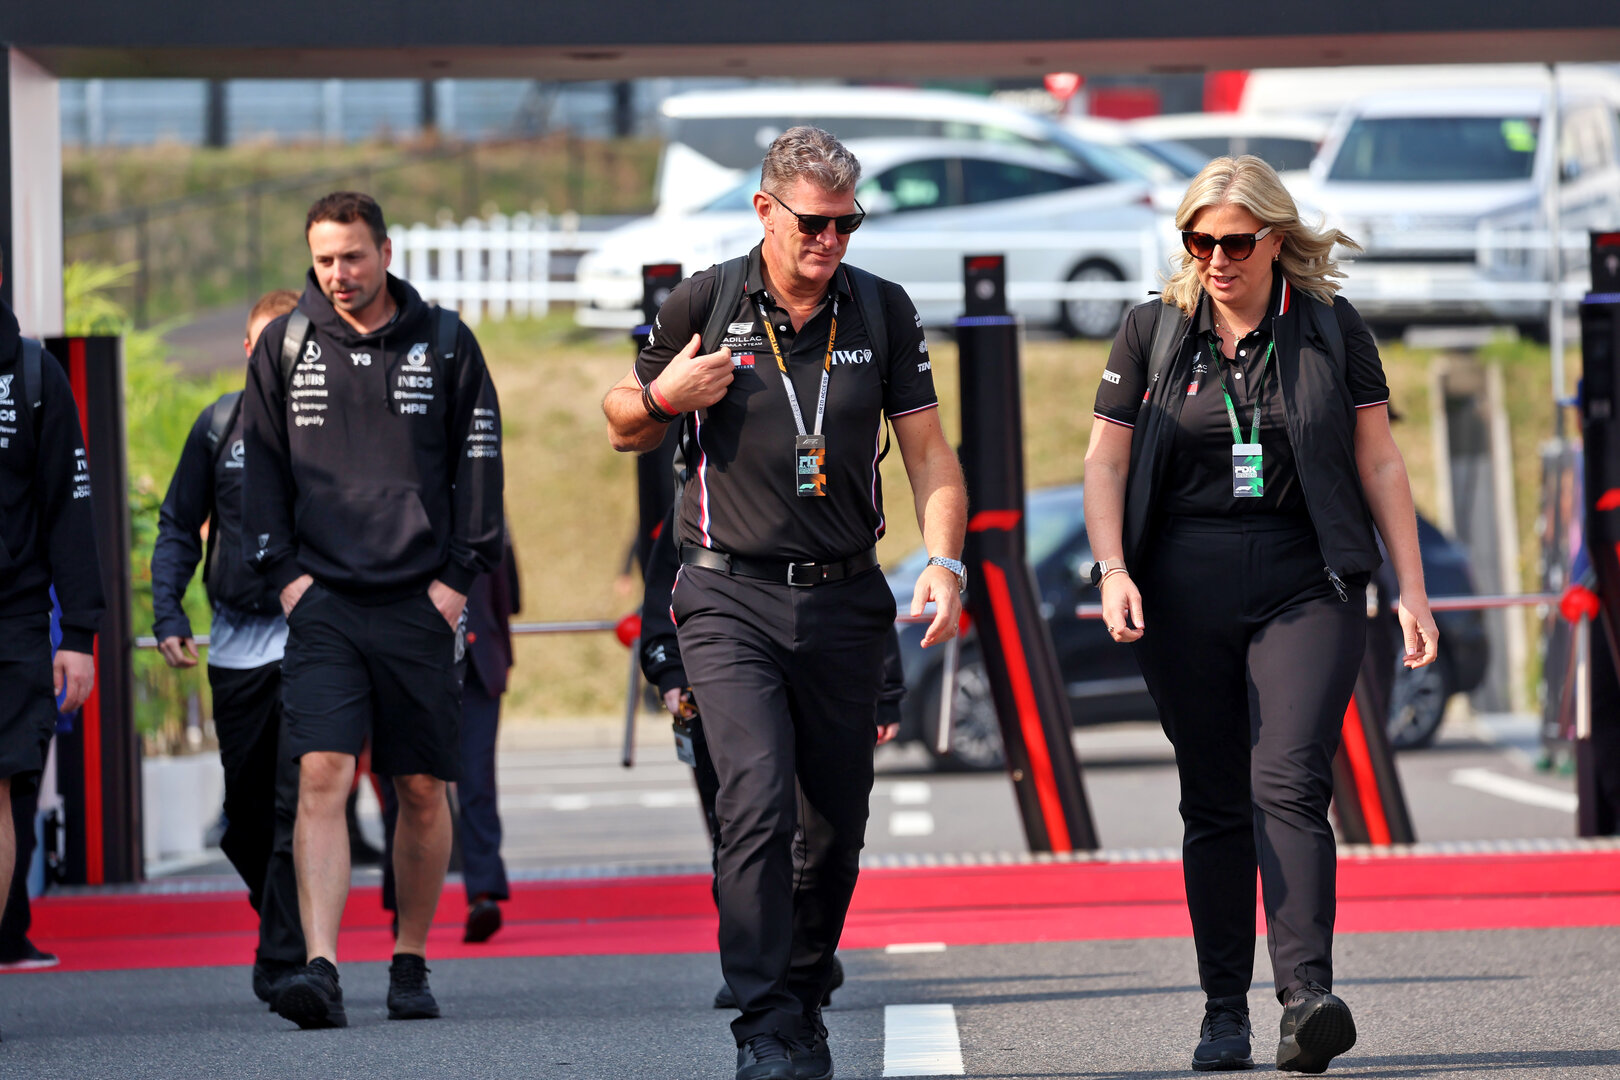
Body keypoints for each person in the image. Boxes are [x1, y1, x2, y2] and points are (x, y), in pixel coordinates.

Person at [603, 126, 967, 1080]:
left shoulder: (881, 310)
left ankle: (801, 992)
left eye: (848, 223)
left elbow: (929, 454)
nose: (832, 240)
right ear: (765, 211)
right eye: (815, 222)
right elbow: (619, 422)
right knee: (755, 805)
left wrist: (943, 563)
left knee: (833, 829)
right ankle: (763, 1025)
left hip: (848, 599)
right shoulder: (706, 300)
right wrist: (668, 395)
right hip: (728, 596)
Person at [1083, 155, 1439, 1074]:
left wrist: (1412, 587)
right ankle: (1220, 1013)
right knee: (1213, 800)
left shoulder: (1328, 327)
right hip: (1180, 582)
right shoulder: (1151, 332)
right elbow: (1106, 464)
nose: (1215, 259)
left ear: (1276, 240)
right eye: (1198, 241)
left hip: (1304, 576)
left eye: (1235, 242)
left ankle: (1306, 999)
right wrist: (1113, 567)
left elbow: (1381, 463)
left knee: (1287, 778)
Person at [242, 191, 504, 1029]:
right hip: (321, 600)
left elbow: (482, 465)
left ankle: (410, 960)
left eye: (352, 256)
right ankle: (321, 967)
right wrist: (286, 577)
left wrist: (457, 580)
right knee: (320, 772)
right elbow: (260, 473)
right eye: (323, 259)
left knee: (421, 785)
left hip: (420, 602)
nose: (337, 274)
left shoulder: (448, 340)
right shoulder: (285, 344)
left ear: (385, 251)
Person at [639, 500, 906, 1010]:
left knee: (819, 831)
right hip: (715, 677)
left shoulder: (827, 511)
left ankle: (803, 958)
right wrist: (669, 675)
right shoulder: (702, 506)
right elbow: (663, 590)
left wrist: (886, 692)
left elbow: (862, 595)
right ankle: (759, 969)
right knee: (745, 822)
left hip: (823, 656)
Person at [150, 289, 306, 1004]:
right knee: (244, 821)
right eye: (265, 345)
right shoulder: (218, 425)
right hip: (236, 645)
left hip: (314, 642)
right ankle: (282, 910)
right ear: (247, 351)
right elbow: (180, 522)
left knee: (290, 802)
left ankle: (283, 958)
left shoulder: (332, 428)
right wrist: (167, 613)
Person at [0, 250, 105, 1006]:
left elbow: (72, 511)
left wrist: (80, 636)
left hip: (11, 618)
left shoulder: (34, 377)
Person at [378, 528, 519, 943]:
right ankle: (402, 901)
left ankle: (483, 894)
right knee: (402, 784)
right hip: (405, 658)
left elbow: (506, 588)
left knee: (477, 782)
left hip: (477, 659)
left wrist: (501, 654)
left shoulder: (482, 497)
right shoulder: (398, 497)